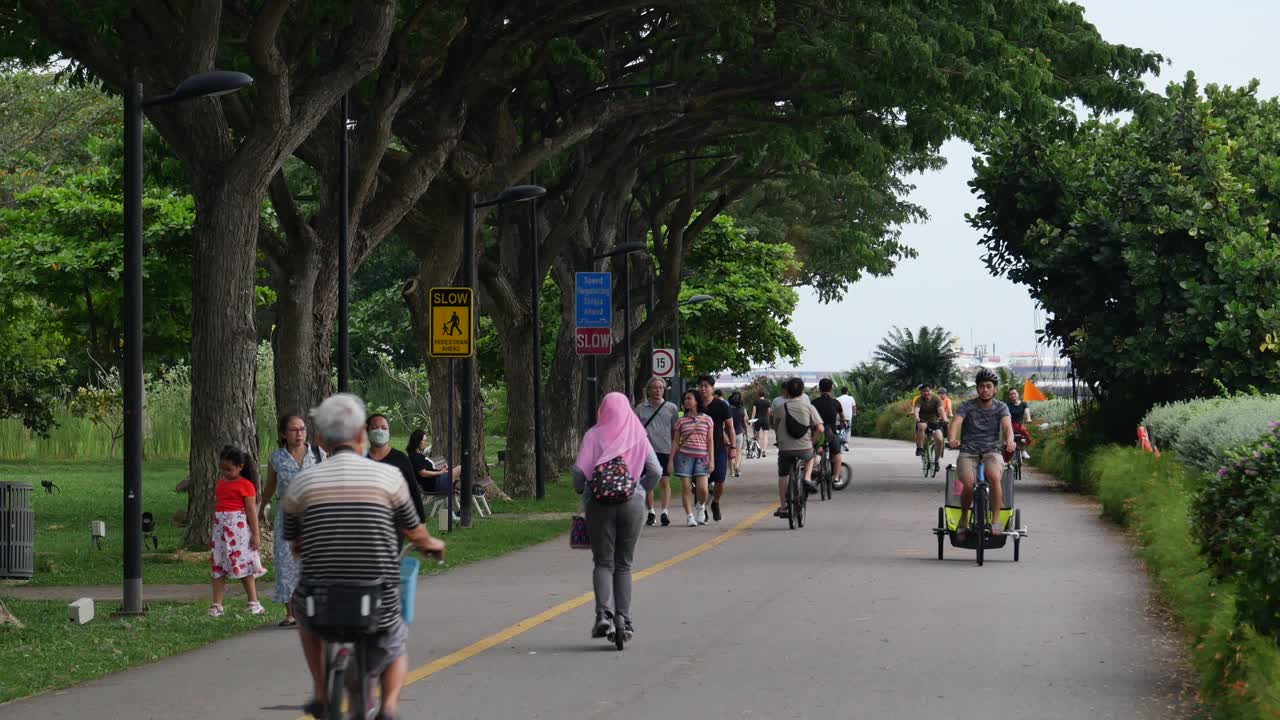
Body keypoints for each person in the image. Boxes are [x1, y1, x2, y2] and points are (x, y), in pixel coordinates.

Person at [284, 393, 445, 720]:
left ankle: (319, 691)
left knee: (304, 618)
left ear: (321, 440)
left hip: (320, 599)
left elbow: (293, 540)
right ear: (361, 435)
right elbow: (415, 532)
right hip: (376, 596)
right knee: (395, 640)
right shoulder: (389, 479)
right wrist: (432, 546)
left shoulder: (302, 484)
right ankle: (388, 707)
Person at [573, 392, 662, 642]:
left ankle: (603, 615)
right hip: (631, 502)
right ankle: (625, 618)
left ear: (603, 410)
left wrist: (583, 488)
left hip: (599, 503)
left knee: (603, 562)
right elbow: (656, 470)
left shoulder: (594, 434)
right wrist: (640, 487)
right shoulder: (638, 434)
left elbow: (579, 473)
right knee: (624, 563)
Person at [260, 414, 322, 627]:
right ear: (283, 434)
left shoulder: (317, 454)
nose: (299, 434)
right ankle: (292, 613)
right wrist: (261, 508)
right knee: (286, 563)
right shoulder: (276, 457)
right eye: (294, 430)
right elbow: (270, 485)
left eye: (302, 429)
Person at [947, 369, 1015, 539]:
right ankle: (963, 519)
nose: (985, 390)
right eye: (981, 386)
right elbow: (956, 422)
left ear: (995, 389)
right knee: (968, 485)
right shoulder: (967, 406)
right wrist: (952, 438)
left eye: (988, 386)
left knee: (993, 476)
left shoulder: (1002, 407)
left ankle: (996, 520)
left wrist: (1010, 440)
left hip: (992, 451)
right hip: (968, 452)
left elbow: (1007, 426)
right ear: (977, 389)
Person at [209, 444, 267, 617]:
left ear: (240, 467)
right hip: (221, 529)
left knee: (243, 565)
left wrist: (256, 535)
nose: (225, 473)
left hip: (239, 531)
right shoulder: (221, 484)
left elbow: (251, 511)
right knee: (218, 565)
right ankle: (217, 604)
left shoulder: (247, 485)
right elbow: (218, 506)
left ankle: (253, 602)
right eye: (222, 469)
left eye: (229, 469)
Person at [770, 377, 822, 517]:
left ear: (786, 391)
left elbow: (775, 426)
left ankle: (783, 507)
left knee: (783, 475)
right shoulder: (809, 407)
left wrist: (780, 438)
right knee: (811, 456)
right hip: (805, 448)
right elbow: (821, 429)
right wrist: (812, 440)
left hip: (785, 449)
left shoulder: (780, 408)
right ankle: (806, 478)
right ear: (802, 391)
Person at [634, 378, 679, 527]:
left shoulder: (671, 408)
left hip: (664, 450)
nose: (658, 390)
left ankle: (665, 512)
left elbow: (675, 432)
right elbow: (635, 431)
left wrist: (674, 451)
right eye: (654, 388)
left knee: (665, 481)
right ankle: (651, 512)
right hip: (646, 452)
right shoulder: (640, 409)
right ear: (648, 390)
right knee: (649, 483)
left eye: (661, 388)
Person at [367, 414, 427, 524]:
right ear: (367, 431)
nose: (379, 431)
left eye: (384, 428)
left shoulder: (401, 459)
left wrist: (421, 521)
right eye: (374, 428)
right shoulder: (360, 460)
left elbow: (413, 490)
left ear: (389, 432)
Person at [669, 389, 714, 526]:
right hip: (684, 458)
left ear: (696, 401)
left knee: (703, 489)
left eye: (689, 398)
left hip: (702, 457)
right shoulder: (681, 421)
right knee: (686, 487)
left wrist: (712, 460)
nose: (686, 401)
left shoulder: (707, 419)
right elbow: (676, 442)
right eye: (685, 399)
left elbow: (710, 441)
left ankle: (700, 507)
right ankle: (689, 516)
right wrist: (671, 460)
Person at [696, 375, 736, 523]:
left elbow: (730, 428)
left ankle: (715, 503)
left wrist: (733, 447)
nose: (703, 388)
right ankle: (702, 508)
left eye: (706, 386)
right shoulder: (694, 404)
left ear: (712, 388)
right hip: (698, 449)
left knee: (720, 479)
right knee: (701, 482)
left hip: (718, 448)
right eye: (700, 385)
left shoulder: (721, 405)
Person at [811, 379, 846, 485]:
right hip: (832, 432)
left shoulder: (814, 403)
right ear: (831, 389)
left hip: (818, 432)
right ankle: (836, 477)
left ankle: (814, 468)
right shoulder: (836, 403)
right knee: (836, 453)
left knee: (816, 451)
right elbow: (842, 417)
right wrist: (843, 422)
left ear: (819, 388)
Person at [406, 429, 461, 494]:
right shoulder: (415, 456)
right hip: (434, 484)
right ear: (417, 441)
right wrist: (440, 472)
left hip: (436, 481)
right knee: (460, 468)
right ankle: (466, 493)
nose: (426, 443)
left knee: (457, 471)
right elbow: (423, 473)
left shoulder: (418, 456)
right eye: (424, 440)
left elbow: (427, 469)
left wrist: (442, 470)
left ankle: (461, 492)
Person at [913, 383, 947, 472]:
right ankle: (920, 448)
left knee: (939, 439)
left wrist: (944, 418)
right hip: (922, 420)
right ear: (921, 392)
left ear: (931, 391)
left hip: (934, 421)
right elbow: (916, 409)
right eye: (924, 391)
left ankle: (936, 461)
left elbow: (941, 410)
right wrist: (917, 417)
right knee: (922, 426)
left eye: (927, 391)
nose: (926, 393)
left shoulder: (936, 398)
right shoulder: (919, 400)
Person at [1006, 388, 1032, 458]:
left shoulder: (1023, 404)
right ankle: (1007, 458)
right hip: (1010, 425)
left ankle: (1023, 450)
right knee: (1006, 440)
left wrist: (1028, 418)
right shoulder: (1007, 405)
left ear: (1018, 394)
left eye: (1014, 393)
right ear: (1009, 396)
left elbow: (1027, 412)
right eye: (1011, 394)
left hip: (1020, 425)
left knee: (1025, 434)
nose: (1013, 395)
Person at [729, 392, 748, 478]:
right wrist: (746, 432)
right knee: (738, 452)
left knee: (730, 452)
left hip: (729, 434)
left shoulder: (727, 409)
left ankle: (732, 471)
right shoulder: (742, 409)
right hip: (739, 433)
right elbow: (745, 422)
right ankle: (737, 466)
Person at [750, 391, 772, 456]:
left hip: (758, 419)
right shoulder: (768, 402)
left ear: (758, 395)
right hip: (765, 419)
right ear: (764, 395)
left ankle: (758, 449)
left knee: (757, 435)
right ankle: (764, 451)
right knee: (765, 436)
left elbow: (754, 412)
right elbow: (769, 412)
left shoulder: (756, 402)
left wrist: (751, 420)